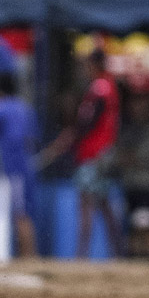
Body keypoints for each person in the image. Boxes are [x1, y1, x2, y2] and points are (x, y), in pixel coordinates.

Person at [43, 48, 124, 258]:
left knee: (86, 204)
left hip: (93, 153)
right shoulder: (108, 87)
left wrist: (68, 138)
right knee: (104, 205)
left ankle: (82, 253)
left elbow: (87, 124)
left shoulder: (100, 89)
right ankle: (116, 251)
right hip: (101, 152)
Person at [0, 73, 38, 257]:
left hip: (10, 165)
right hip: (26, 164)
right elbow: (32, 137)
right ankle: (25, 254)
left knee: (18, 212)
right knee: (22, 210)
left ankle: (27, 255)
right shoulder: (25, 108)